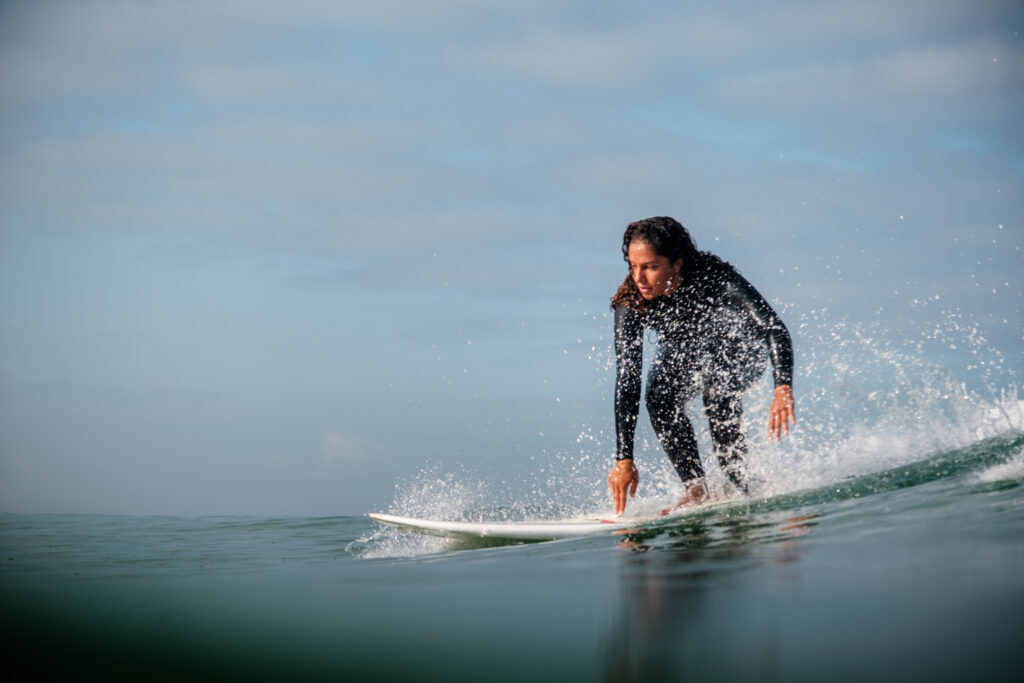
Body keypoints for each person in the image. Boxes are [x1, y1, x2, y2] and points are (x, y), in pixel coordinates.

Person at [607, 216, 795, 515]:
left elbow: (772, 327)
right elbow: (628, 377)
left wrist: (782, 386)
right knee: (658, 395)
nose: (638, 278)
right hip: (686, 352)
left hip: (739, 348)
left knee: (716, 387)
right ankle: (697, 488)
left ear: (677, 263)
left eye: (650, 267)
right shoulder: (631, 300)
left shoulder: (714, 276)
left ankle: (740, 482)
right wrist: (624, 458)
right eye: (633, 266)